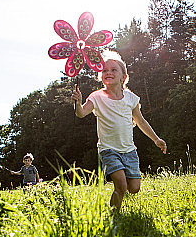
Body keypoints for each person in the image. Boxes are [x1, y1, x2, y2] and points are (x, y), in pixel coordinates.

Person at [71, 50, 167, 210]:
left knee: (134, 188)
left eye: (113, 70)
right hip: (108, 150)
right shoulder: (96, 97)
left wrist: (156, 139)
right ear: (100, 77)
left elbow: (141, 121)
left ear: (123, 76)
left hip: (129, 151)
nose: (108, 72)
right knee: (121, 186)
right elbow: (81, 113)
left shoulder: (131, 98)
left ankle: (122, 197)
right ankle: (114, 216)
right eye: (104, 70)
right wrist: (77, 103)